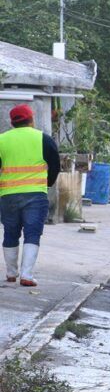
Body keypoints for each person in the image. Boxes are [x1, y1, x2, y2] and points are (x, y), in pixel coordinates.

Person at [0, 104, 60, 287]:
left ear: (12, 122)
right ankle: (26, 275)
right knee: (32, 233)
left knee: (10, 232)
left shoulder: (2, 140)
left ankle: (11, 273)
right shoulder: (43, 139)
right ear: (31, 120)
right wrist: (47, 182)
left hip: (8, 194)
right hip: (35, 195)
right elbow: (55, 165)